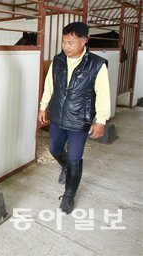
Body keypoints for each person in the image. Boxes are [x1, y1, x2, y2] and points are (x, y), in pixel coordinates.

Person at [38, 22, 110, 214]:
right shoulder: (58, 60)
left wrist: (101, 120)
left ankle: (69, 195)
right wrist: (43, 106)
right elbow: (49, 86)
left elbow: (103, 94)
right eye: (63, 42)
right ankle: (65, 168)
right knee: (54, 148)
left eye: (70, 42)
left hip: (80, 120)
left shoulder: (96, 65)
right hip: (58, 116)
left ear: (84, 41)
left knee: (74, 158)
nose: (66, 47)